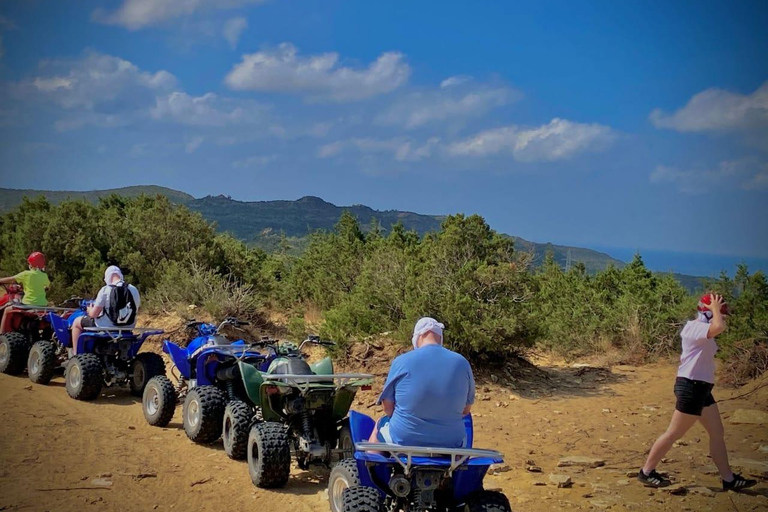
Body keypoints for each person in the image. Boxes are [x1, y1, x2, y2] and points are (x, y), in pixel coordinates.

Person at [637, 293, 757, 491]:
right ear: (708, 312)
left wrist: (715, 310)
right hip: (691, 387)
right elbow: (718, 327)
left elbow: (717, 328)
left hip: (701, 389)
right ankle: (646, 472)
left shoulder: (703, 329)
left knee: (717, 432)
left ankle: (728, 479)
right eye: (721, 313)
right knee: (673, 433)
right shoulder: (694, 327)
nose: (723, 317)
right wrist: (715, 309)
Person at [369, 317, 475, 448]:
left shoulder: (402, 361)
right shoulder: (462, 363)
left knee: (379, 426)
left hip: (405, 437)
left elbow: (387, 408)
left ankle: (369, 465)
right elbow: (465, 410)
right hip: (450, 441)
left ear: (419, 336)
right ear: (439, 337)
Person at [70, 265, 140, 355]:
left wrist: (89, 309)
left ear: (107, 278)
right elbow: (135, 309)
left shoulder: (105, 290)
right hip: (128, 327)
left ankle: (76, 354)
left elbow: (94, 314)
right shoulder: (133, 289)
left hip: (106, 327)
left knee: (76, 323)